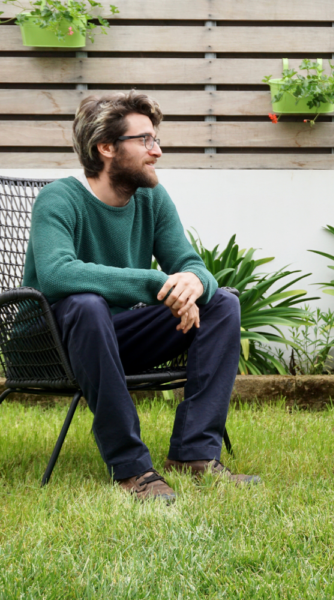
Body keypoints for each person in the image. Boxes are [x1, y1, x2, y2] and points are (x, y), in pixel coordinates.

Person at [23, 91, 259, 502]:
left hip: (112, 339)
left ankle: (194, 454)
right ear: (107, 148)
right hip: (50, 344)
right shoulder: (59, 198)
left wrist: (195, 283)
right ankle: (130, 468)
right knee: (85, 303)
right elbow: (58, 274)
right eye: (146, 140)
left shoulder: (152, 198)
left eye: (157, 139)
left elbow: (189, 261)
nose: (158, 151)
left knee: (222, 303)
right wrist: (156, 284)